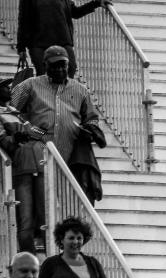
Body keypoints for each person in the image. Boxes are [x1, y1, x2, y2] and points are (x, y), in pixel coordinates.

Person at [10, 45, 99, 253]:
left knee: (67, 211)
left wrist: (90, 130)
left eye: (64, 66)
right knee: (42, 212)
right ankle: (42, 250)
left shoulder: (79, 89)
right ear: (45, 66)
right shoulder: (30, 85)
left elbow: (92, 118)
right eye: (55, 66)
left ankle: (63, 252)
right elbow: (9, 110)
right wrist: (29, 129)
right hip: (38, 159)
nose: (60, 70)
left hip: (69, 161)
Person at [0, 83, 46, 253]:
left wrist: (41, 130)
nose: (9, 90)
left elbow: (39, 133)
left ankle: (50, 257)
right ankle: (30, 257)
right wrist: (14, 139)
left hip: (39, 164)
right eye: (4, 87)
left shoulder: (17, 112)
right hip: (21, 168)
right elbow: (3, 141)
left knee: (45, 216)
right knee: (25, 218)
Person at [17, 0, 112, 78]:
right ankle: (45, 99)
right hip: (37, 42)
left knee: (71, 67)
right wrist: (21, 48)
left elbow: (75, 12)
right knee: (43, 74)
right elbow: (23, 20)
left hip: (62, 40)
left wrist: (96, 3)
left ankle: (63, 97)